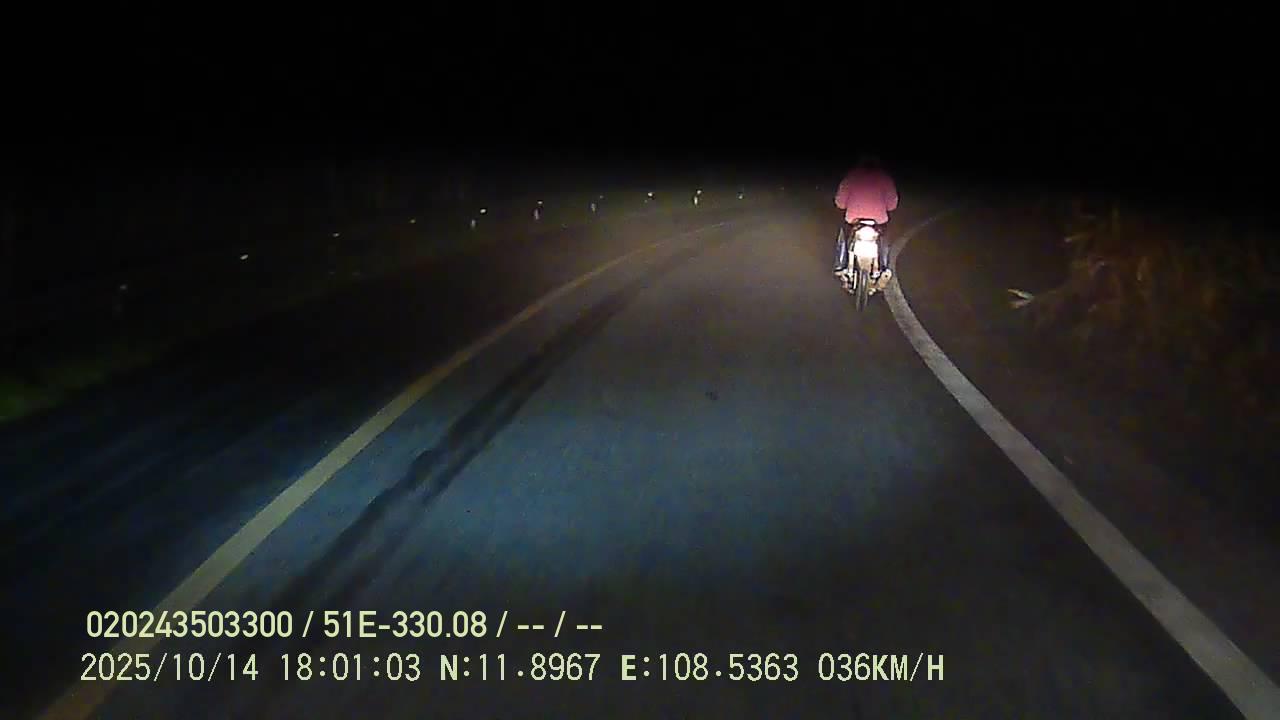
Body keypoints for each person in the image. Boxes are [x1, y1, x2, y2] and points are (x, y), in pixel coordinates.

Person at [832, 155, 899, 279]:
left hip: (854, 220)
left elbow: (840, 203)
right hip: (878, 221)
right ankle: (884, 267)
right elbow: (892, 205)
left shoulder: (851, 177)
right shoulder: (885, 178)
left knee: (844, 237)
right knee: (883, 240)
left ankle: (840, 265)